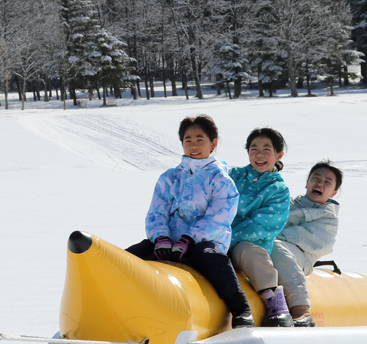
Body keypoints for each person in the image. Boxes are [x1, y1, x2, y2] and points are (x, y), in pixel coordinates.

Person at [127, 114, 255, 328]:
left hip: (204, 241)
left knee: (209, 257)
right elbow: (157, 212)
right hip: (168, 242)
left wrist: (189, 239)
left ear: (213, 143)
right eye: (188, 140)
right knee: (133, 255)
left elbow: (219, 217)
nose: (193, 146)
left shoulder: (221, 179)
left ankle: (240, 307)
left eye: (199, 139)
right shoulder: (169, 177)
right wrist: (161, 239)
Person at [228, 128, 293, 327]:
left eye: (266, 149)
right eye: (254, 149)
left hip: (244, 245)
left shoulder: (278, 190)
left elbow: (261, 227)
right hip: (215, 239)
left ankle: (272, 299)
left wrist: (225, 239)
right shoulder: (233, 176)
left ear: (278, 154)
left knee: (250, 251)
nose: (259, 154)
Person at [270, 161, 342, 328]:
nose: (319, 184)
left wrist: (267, 235)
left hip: (299, 259)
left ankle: (300, 308)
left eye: (327, 182)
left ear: (334, 192)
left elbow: (300, 238)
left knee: (276, 247)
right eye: (315, 178)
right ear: (307, 182)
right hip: (271, 249)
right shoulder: (287, 203)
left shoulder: (328, 218)